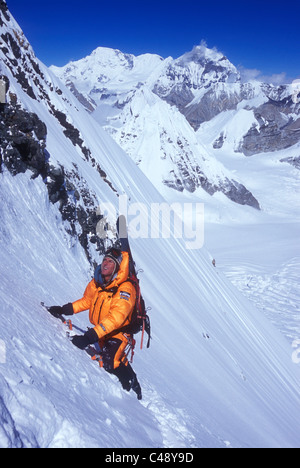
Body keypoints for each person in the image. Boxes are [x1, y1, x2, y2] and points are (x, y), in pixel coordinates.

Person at [48, 248, 142, 400]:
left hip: (119, 331)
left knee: (110, 360)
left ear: (117, 267)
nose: (105, 263)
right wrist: (64, 309)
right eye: (105, 259)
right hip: (103, 329)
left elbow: (116, 319)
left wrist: (89, 337)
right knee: (112, 353)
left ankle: (130, 388)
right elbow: (87, 301)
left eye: (111, 261)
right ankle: (130, 377)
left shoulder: (125, 289)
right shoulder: (97, 282)